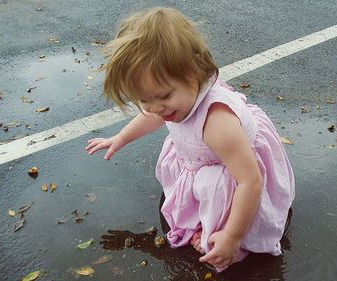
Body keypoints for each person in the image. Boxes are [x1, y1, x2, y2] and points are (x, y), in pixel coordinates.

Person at [85, 7, 295, 272]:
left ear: (195, 73)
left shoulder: (217, 123)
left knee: (217, 188)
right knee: (201, 179)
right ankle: (202, 217)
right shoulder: (172, 102)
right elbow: (154, 116)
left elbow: (250, 180)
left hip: (235, 169)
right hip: (205, 155)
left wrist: (232, 236)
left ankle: (224, 231)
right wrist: (122, 137)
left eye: (163, 96)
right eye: (144, 99)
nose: (155, 107)